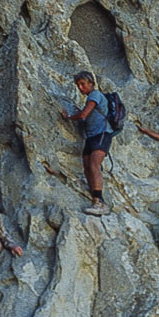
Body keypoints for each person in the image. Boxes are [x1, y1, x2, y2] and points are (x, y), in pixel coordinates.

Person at [61, 71, 113, 217]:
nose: (80, 87)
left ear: (91, 83)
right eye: (78, 85)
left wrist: (68, 117)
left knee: (94, 165)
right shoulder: (90, 99)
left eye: (83, 84)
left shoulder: (95, 95)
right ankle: (95, 198)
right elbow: (87, 115)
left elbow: (84, 115)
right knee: (86, 166)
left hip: (102, 134)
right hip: (91, 136)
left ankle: (99, 202)